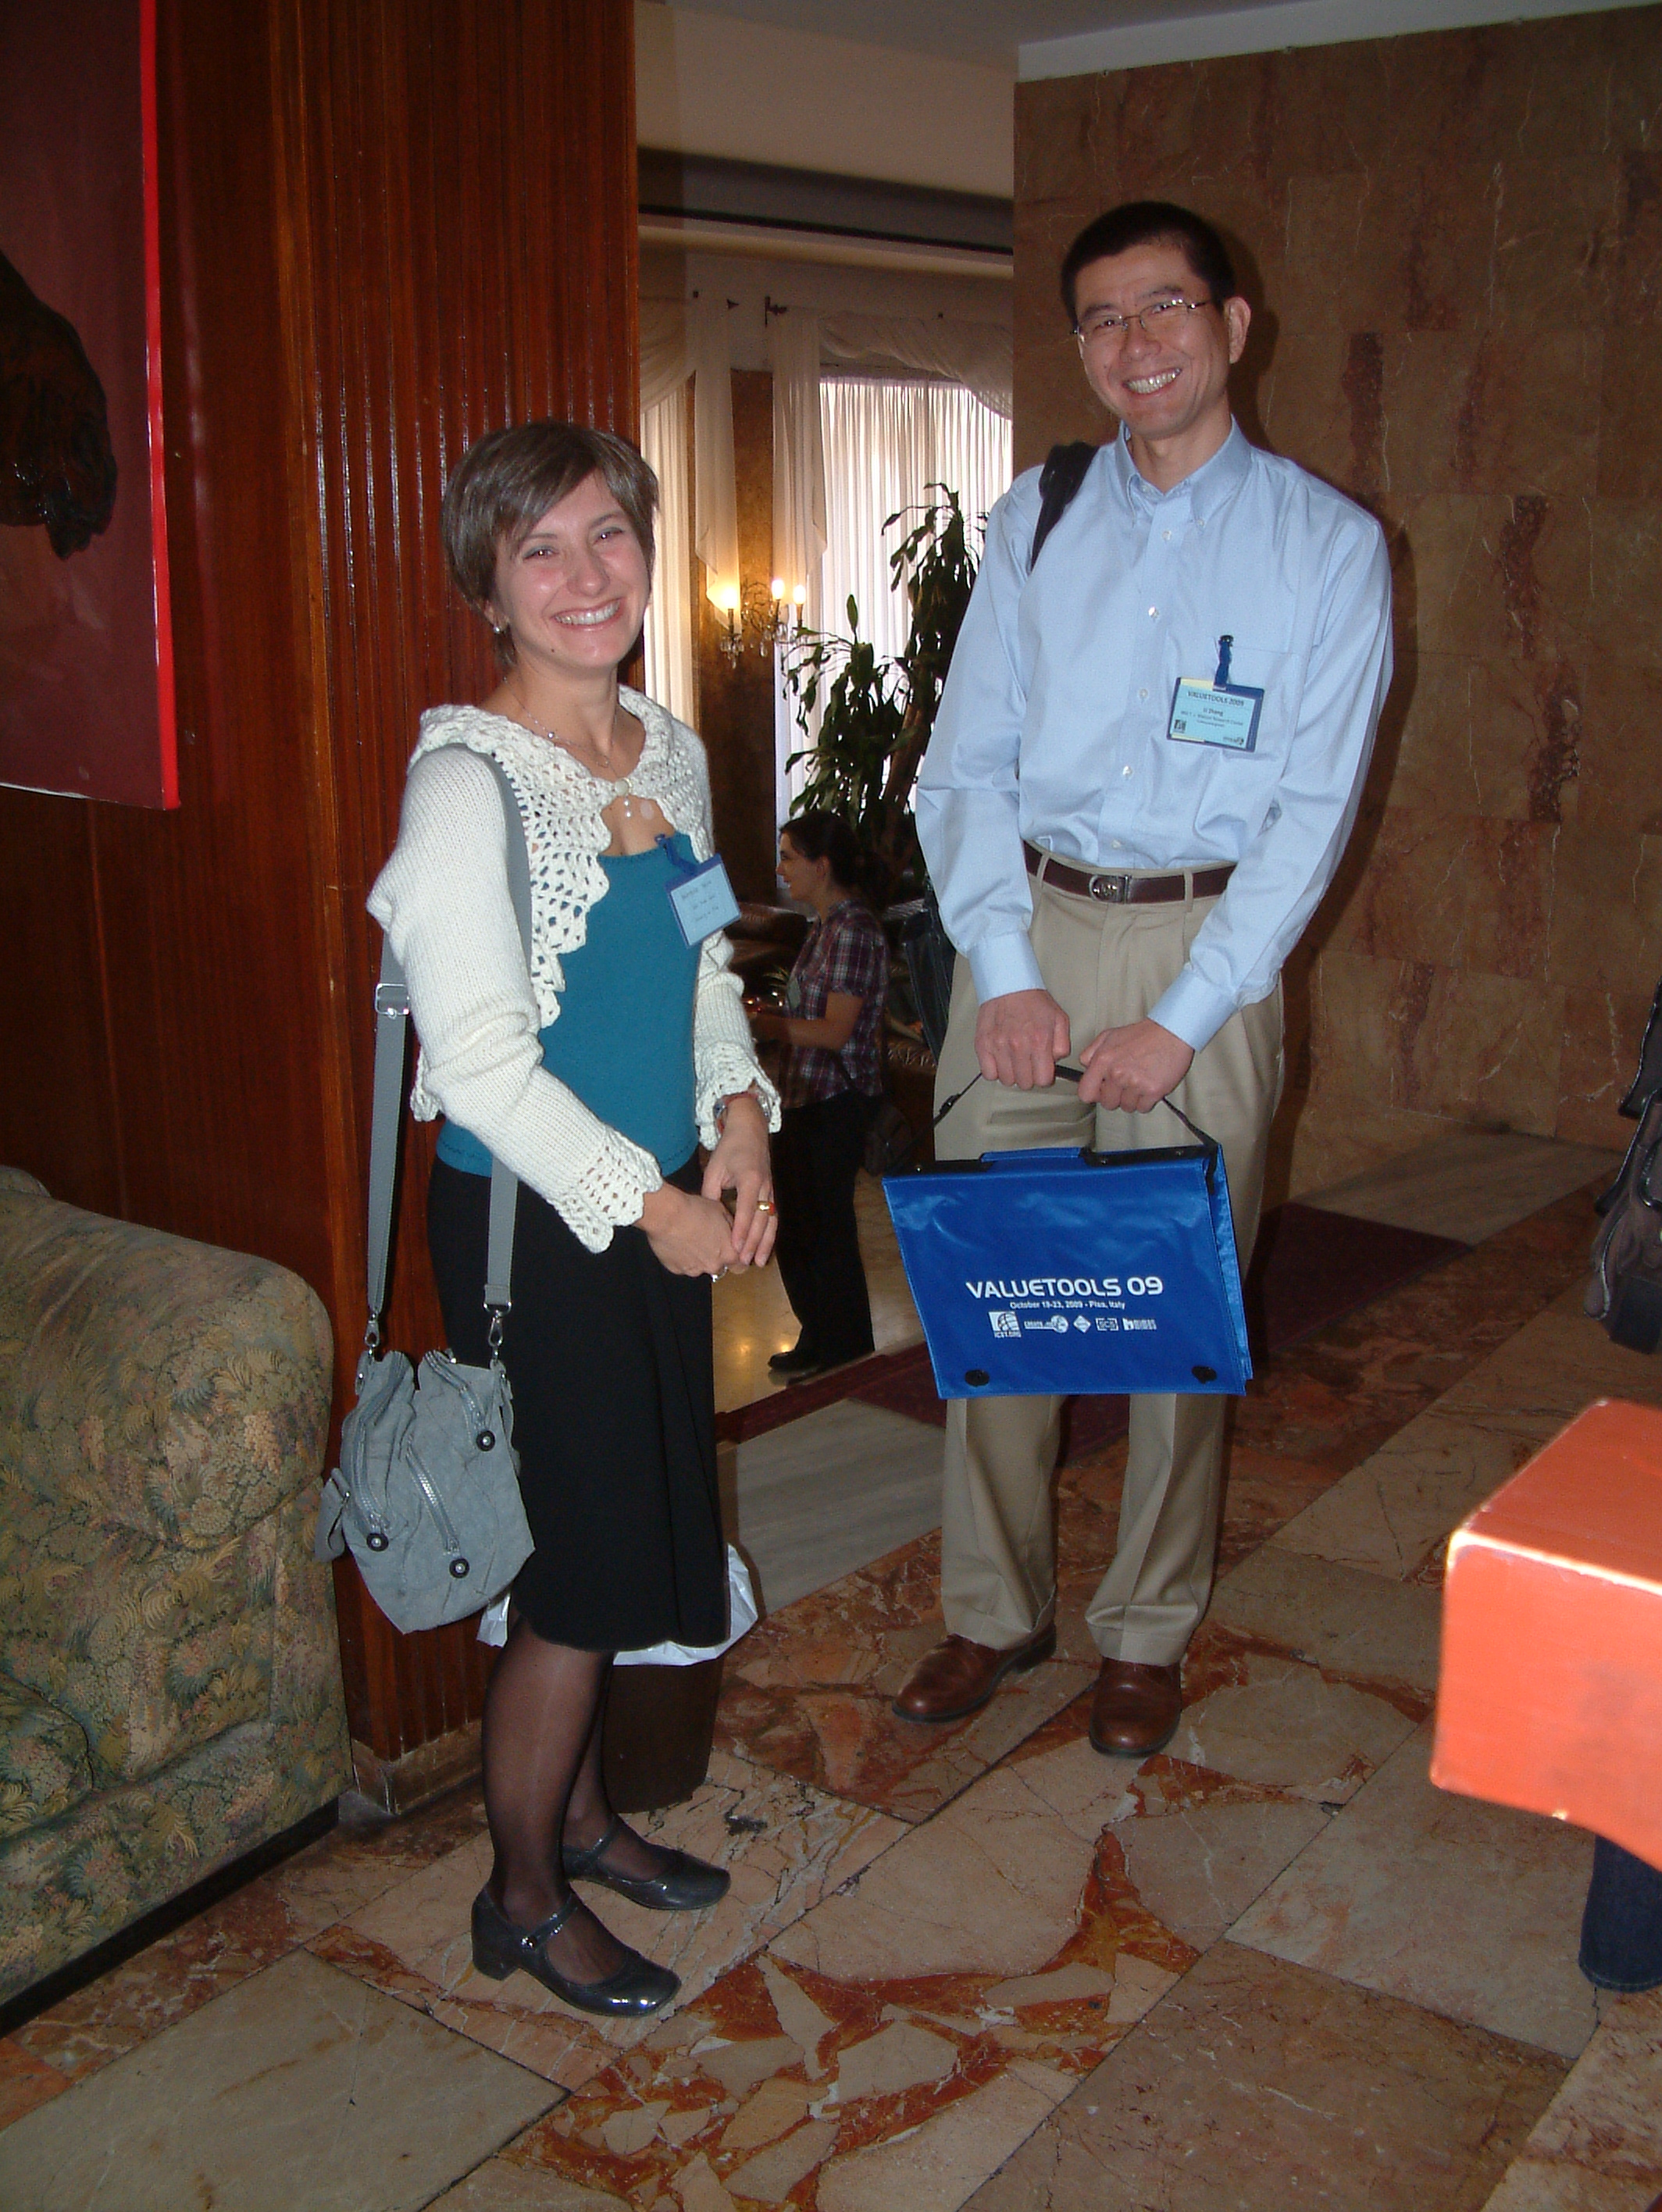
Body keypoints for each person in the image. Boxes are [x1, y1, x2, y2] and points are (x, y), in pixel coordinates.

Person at [898, 200, 1393, 1758]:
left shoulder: (1324, 546)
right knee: (996, 1287)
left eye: (1164, 306)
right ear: (1079, 348)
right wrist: (1001, 967)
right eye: (1102, 318)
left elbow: (1309, 815)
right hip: (1028, 928)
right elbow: (960, 766)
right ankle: (992, 1608)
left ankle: (1146, 1626)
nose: (1135, 344)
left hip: (1206, 945)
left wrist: (1182, 1019)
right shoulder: (1036, 518)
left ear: (1231, 325)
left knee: (1178, 1310)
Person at [369, 422, 779, 2018]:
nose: (583, 574)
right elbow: (478, 1066)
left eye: (607, 533)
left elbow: (703, 964)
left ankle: (588, 1822)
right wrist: (652, 1206)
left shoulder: (663, 751)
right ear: (488, 587)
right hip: (536, 1232)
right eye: (538, 549)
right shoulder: (463, 785)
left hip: (655, 1208)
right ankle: (521, 1896)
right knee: (575, 1574)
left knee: (607, 1536)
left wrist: (736, 1115)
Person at [748, 812, 889, 1381]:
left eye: (789, 857)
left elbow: (835, 1031)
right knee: (799, 1225)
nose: (781, 869)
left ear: (822, 865)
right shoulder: (823, 925)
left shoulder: (854, 929)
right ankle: (818, 1334)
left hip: (836, 1100)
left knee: (825, 1227)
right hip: (801, 1096)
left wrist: (770, 1027)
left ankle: (844, 1344)